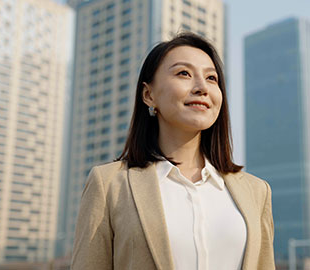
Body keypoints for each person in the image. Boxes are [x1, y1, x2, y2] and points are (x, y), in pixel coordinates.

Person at [71, 32, 275, 270]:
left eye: (212, 78)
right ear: (149, 95)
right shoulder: (108, 185)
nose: (202, 87)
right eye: (184, 73)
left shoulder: (257, 192)